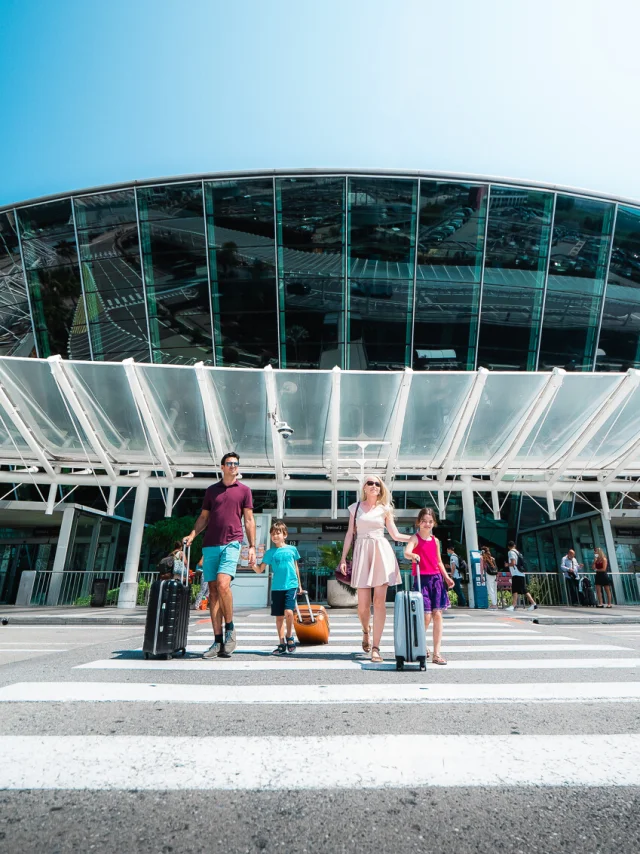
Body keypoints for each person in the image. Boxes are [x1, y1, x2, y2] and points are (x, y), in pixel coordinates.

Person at [184, 451, 255, 659]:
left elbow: (249, 520)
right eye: (229, 463)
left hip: (232, 543)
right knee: (213, 592)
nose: (233, 466)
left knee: (223, 584)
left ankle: (230, 628)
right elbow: (204, 517)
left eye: (236, 463)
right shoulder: (211, 491)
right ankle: (217, 641)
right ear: (222, 467)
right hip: (210, 545)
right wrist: (193, 534)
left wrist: (251, 546)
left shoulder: (244, 491)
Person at [338, 475, 411, 663]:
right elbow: (349, 534)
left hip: (381, 552)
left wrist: (415, 538)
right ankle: (365, 630)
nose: (373, 486)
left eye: (377, 484)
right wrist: (343, 558)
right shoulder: (355, 508)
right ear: (364, 487)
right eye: (370, 483)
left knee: (379, 602)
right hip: (362, 552)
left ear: (381, 488)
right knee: (363, 605)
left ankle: (376, 647)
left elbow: (394, 534)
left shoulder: (385, 509)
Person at [404, 508, 455, 665]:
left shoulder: (435, 540)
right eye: (424, 521)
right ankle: (420, 643)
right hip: (421, 580)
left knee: (438, 615)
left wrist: (447, 577)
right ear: (419, 522)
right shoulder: (415, 538)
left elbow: (438, 561)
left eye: (430, 522)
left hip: (436, 580)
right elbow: (406, 552)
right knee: (426, 616)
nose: (427, 524)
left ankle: (437, 653)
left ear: (434, 523)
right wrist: (413, 555)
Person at [254, 519, 303, 655]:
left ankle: (289, 637)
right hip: (276, 588)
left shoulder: (292, 549)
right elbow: (259, 570)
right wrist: (252, 564)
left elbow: (296, 566)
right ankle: (281, 643)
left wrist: (299, 584)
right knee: (279, 616)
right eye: (273, 534)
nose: (275, 536)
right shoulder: (270, 553)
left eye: (278, 533)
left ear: (285, 535)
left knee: (288, 612)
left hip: (291, 585)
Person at [505, 540, 537, 611]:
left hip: (516, 573)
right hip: (521, 573)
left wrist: (507, 564)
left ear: (508, 547)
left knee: (516, 590)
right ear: (514, 546)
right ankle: (533, 604)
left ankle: (513, 606)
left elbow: (513, 563)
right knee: (522, 590)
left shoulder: (510, 552)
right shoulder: (518, 552)